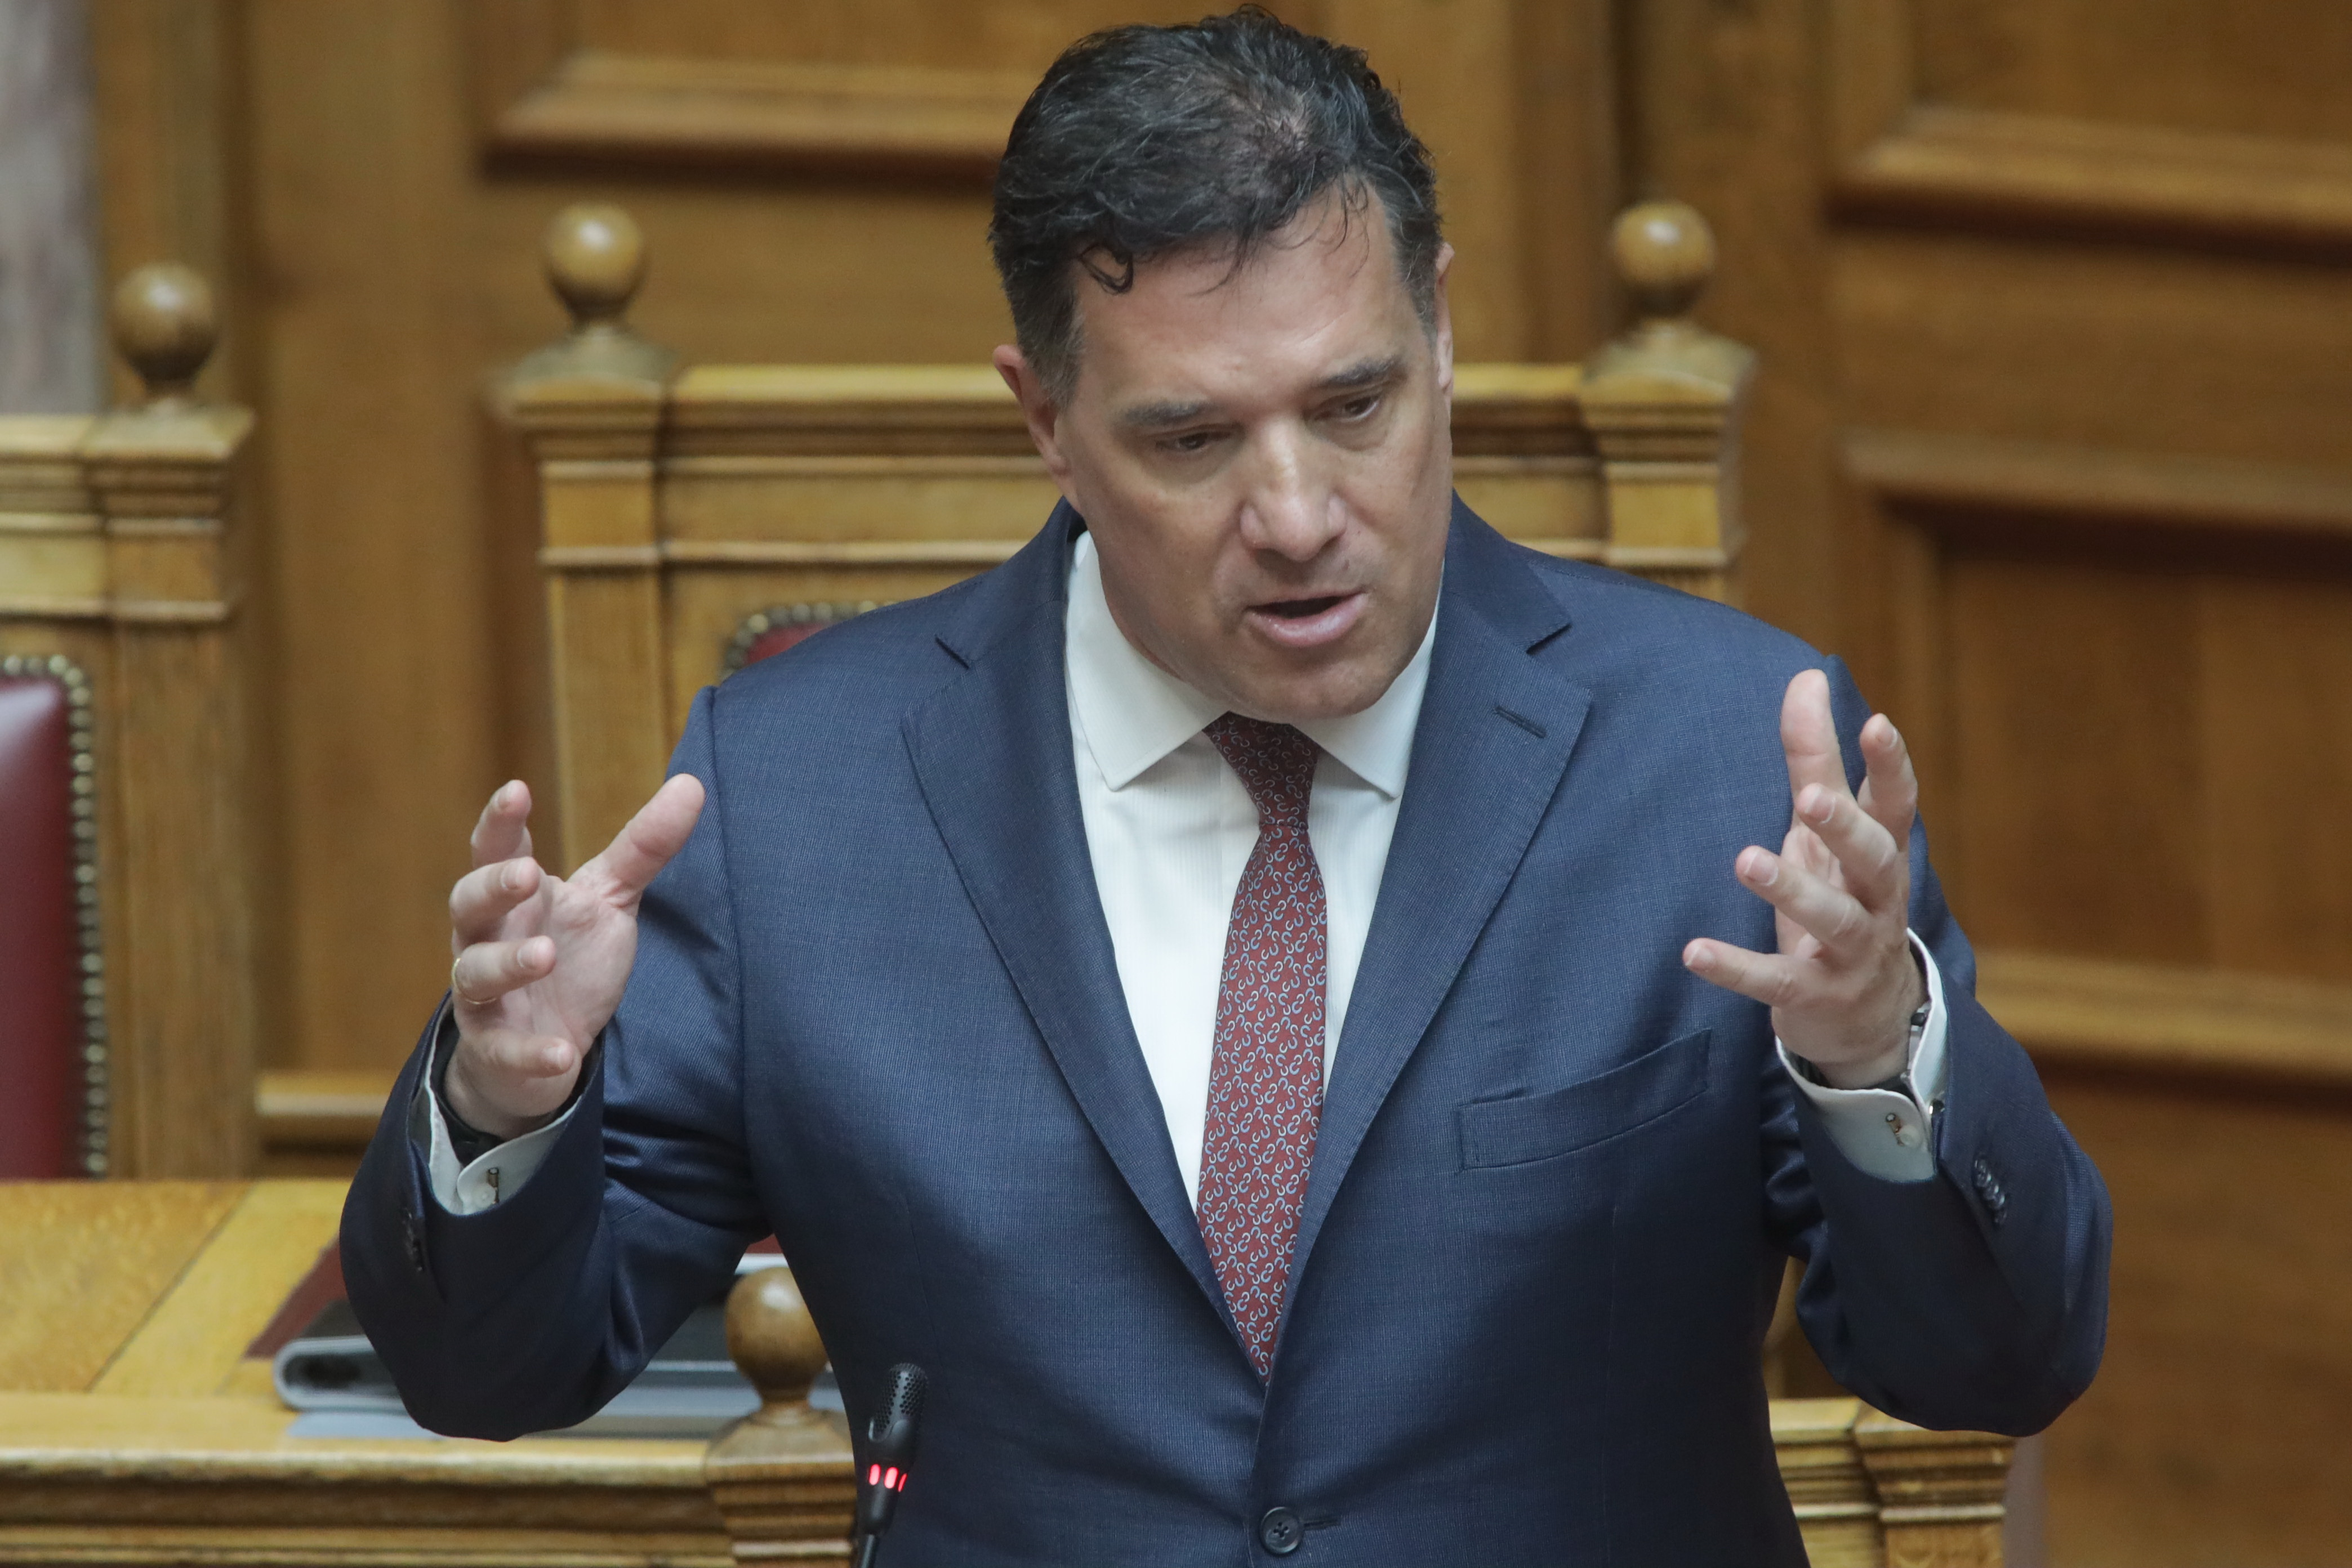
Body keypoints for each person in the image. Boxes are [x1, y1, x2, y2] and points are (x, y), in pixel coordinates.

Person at [342, 11, 2109, 1563]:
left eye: (1354, 407)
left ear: (1440, 331)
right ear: (1045, 419)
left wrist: (1878, 1057)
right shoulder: (802, 792)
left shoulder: (1719, 755)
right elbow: (493, 1373)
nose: (1296, 516)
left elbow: (1999, 1361)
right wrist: (504, 1106)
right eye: (1192, 438)